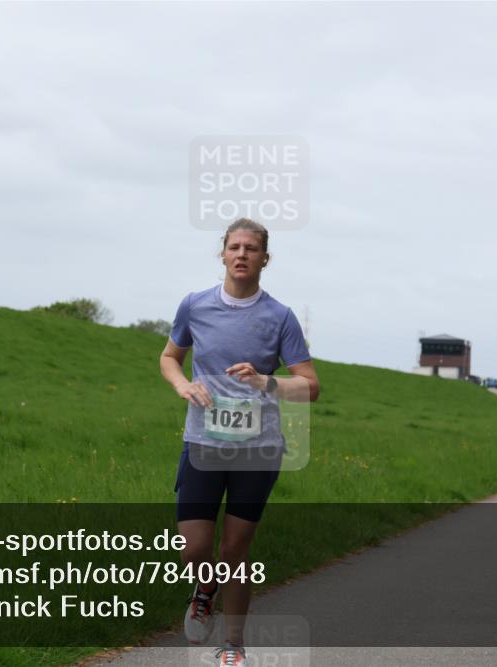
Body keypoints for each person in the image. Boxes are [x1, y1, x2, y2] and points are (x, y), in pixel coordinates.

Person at [160, 218, 320, 665]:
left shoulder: (280, 317)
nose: (242, 254)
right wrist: (182, 386)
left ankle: (233, 644)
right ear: (223, 253)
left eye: (252, 248)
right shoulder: (194, 306)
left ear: (264, 258)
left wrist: (266, 382)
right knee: (194, 548)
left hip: (257, 447)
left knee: (234, 550)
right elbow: (170, 358)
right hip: (203, 442)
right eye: (235, 246)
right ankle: (204, 588)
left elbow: (310, 385)